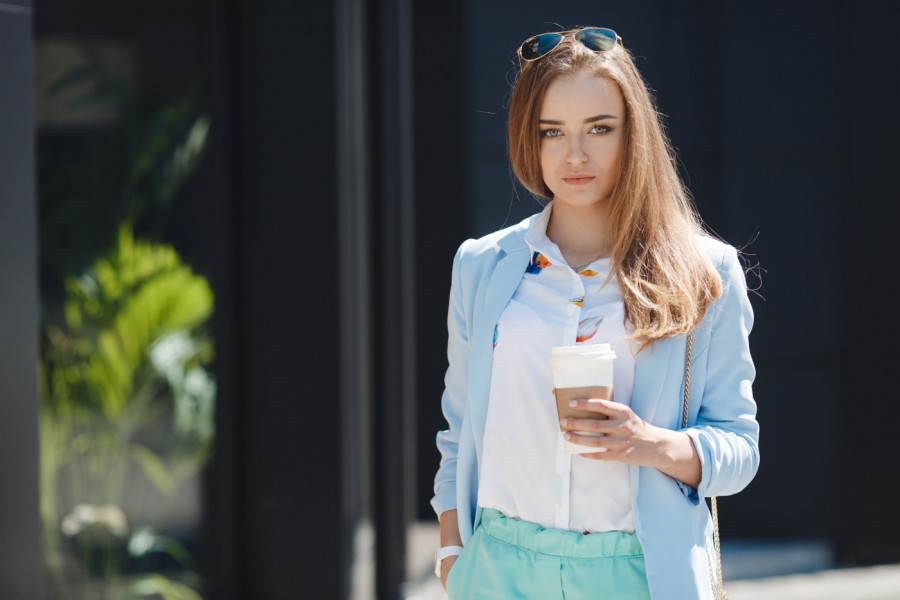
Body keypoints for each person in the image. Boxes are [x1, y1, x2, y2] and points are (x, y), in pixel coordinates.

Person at [431, 27, 760, 599]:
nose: (574, 155)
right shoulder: (481, 267)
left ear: (633, 134)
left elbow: (740, 451)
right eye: (551, 131)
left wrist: (646, 442)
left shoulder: (706, 272)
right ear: (527, 140)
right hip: (498, 570)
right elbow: (460, 432)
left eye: (599, 129)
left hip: (636, 573)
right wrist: (454, 554)